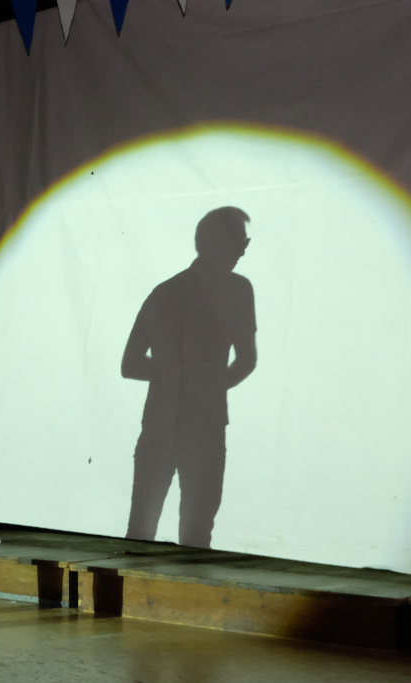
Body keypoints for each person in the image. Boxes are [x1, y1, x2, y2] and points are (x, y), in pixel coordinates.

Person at [122, 207, 256, 548]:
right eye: (240, 242)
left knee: (149, 531)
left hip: (170, 426)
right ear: (215, 242)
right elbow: (246, 360)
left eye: (244, 243)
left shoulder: (166, 292)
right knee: (187, 535)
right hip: (194, 428)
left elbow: (131, 364)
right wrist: (203, 384)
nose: (242, 251)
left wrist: (179, 377)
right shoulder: (235, 290)